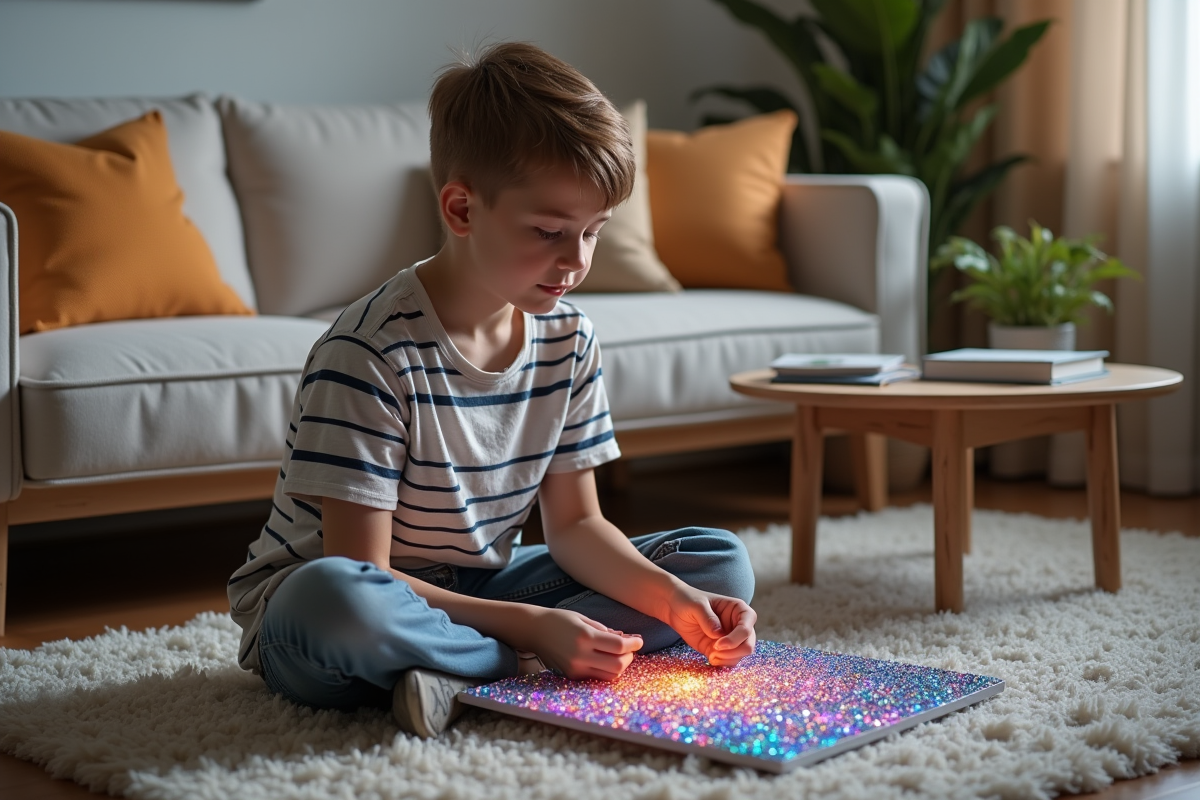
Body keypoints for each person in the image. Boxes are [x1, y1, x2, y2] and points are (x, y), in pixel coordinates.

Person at [227, 41, 757, 739]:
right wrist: (536, 628)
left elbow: (575, 527)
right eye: (548, 232)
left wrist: (678, 600)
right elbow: (360, 569)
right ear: (461, 209)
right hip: (337, 601)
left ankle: (453, 669)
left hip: (479, 583)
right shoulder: (369, 352)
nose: (576, 261)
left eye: (594, 232)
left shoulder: (569, 340)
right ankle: (509, 663)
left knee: (719, 565)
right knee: (334, 603)